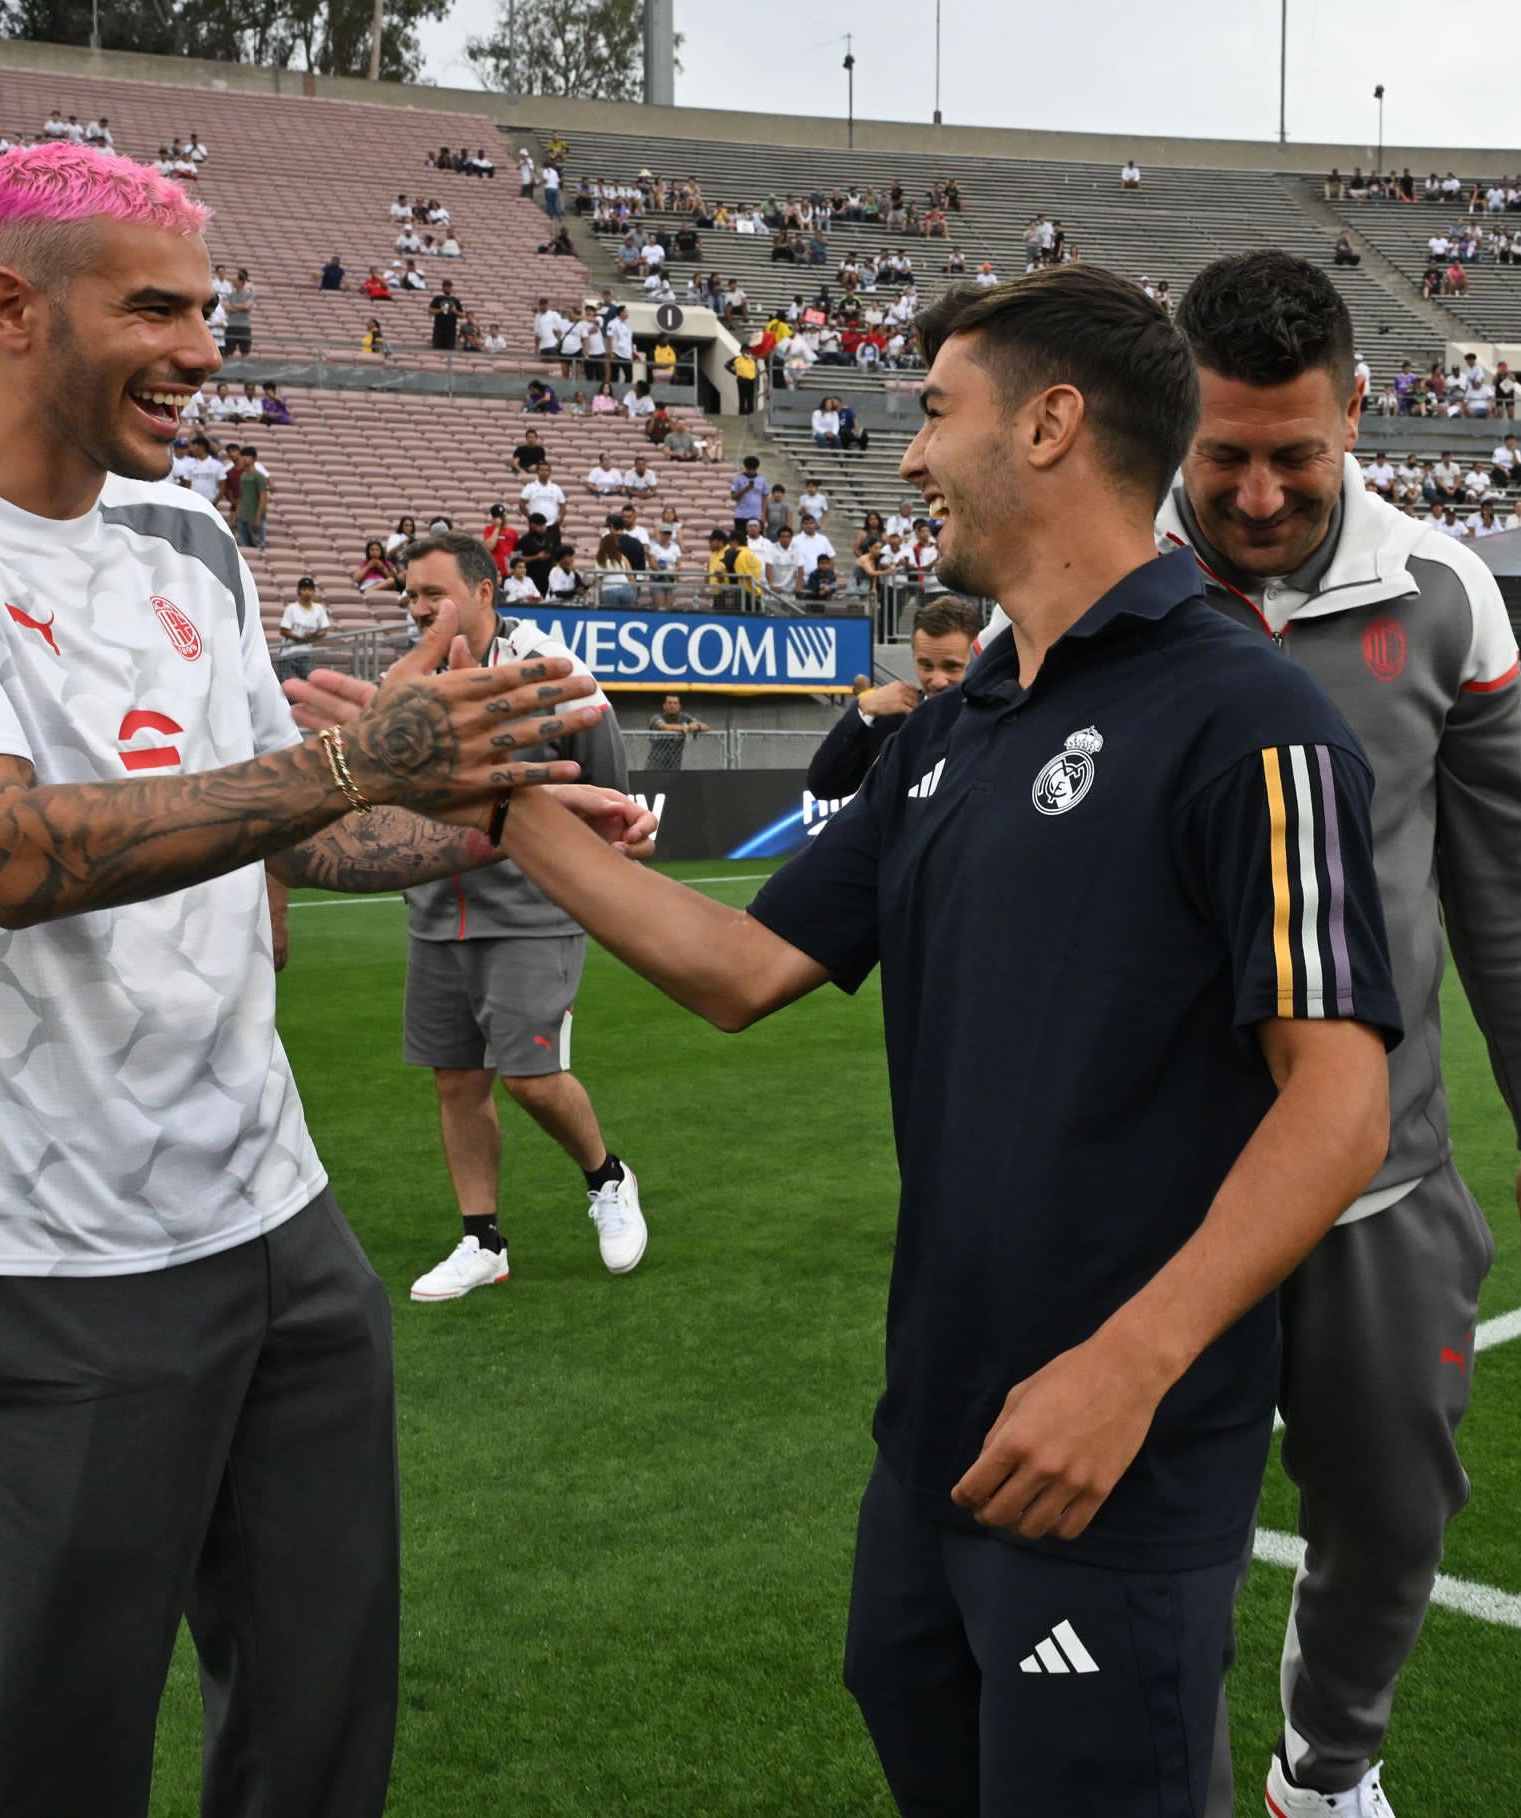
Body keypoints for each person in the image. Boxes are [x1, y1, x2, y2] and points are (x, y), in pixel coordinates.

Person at [332, 261, 1401, 1818]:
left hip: (1117, 1453)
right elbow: (739, 961)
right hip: (936, 1441)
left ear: (1050, 424)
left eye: (937, 411)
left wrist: (1129, 1364)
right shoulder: (954, 730)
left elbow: (1341, 1104)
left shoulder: (1254, 719)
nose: (907, 454)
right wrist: (492, 805)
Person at [0, 142, 646, 1818]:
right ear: (9, 307)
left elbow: (292, 839)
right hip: (45, 1253)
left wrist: (483, 823)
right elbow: (9, 856)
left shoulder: (190, 538)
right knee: (49, 1758)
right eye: (152, 307)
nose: (198, 348)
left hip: (279, 1225)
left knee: (319, 1729)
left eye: (207, 309)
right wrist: (359, 760)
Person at [1156, 251, 1521, 1818]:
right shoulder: (1100, 582)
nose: (1258, 494)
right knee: (1158, 1519)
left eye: (1295, 455)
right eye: (1223, 454)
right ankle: (1167, 1783)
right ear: (1179, 429)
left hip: (1385, 1173)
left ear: (1356, 418)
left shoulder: (1443, 594)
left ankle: (1323, 1772)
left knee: (1396, 1505)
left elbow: (1499, 887)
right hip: (1161, 1180)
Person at [284, 530, 644, 1304]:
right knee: (456, 1082)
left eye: (432, 594)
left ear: (485, 591)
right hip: (435, 914)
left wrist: (613, 838)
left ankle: (608, 1179)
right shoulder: (408, 682)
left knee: (531, 1080)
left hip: (531, 910)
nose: (418, 609)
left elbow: (609, 777)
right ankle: (482, 1239)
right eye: (410, 595)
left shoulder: (551, 668)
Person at [806, 597, 981, 797]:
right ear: (914, 657)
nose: (938, 680)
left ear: (978, 658)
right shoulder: (891, 722)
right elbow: (823, 786)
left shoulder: (1000, 721)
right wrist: (862, 710)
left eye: (952, 666)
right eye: (926, 665)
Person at [276, 575, 330, 677]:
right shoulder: (291, 608)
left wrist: (314, 635)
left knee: (309, 683)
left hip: (305, 653)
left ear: (314, 592)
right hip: (288, 653)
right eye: (304, 589)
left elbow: (325, 630)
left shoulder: (319, 609)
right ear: (299, 591)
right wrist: (299, 638)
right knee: (286, 686)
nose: (307, 592)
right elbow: (283, 630)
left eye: (310, 589)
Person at [644, 692, 709, 769]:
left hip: (675, 764)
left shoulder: (684, 717)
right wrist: (686, 728)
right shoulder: (656, 717)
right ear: (664, 706)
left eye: (675, 703)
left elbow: (706, 727)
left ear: (679, 706)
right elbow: (664, 727)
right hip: (655, 764)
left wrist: (697, 727)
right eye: (669, 703)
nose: (672, 706)